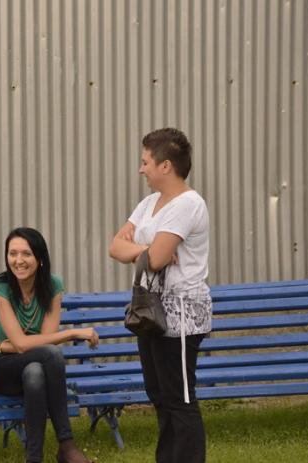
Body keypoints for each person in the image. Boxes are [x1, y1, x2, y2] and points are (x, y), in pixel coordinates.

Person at [108, 128, 212, 463]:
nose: (141, 169)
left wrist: (146, 251)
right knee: (158, 394)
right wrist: (146, 249)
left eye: (145, 162)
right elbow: (116, 247)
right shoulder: (149, 203)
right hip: (150, 311)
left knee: (179, 398)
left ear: (165, 165)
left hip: (180, 315)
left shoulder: (188, 204)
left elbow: (155, 260)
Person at [0, 227, 98, 463]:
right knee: (51, 354)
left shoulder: (52, 285)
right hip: (2, 367)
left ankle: (34, 457)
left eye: (26, 254)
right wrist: (73, 333)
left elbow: (44, 340)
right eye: (12, 253)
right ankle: (66, 445)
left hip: (33, 364)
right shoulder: (1, 287)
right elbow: (21, 344)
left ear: (40, 258)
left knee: (35, 372)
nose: (18, 261)